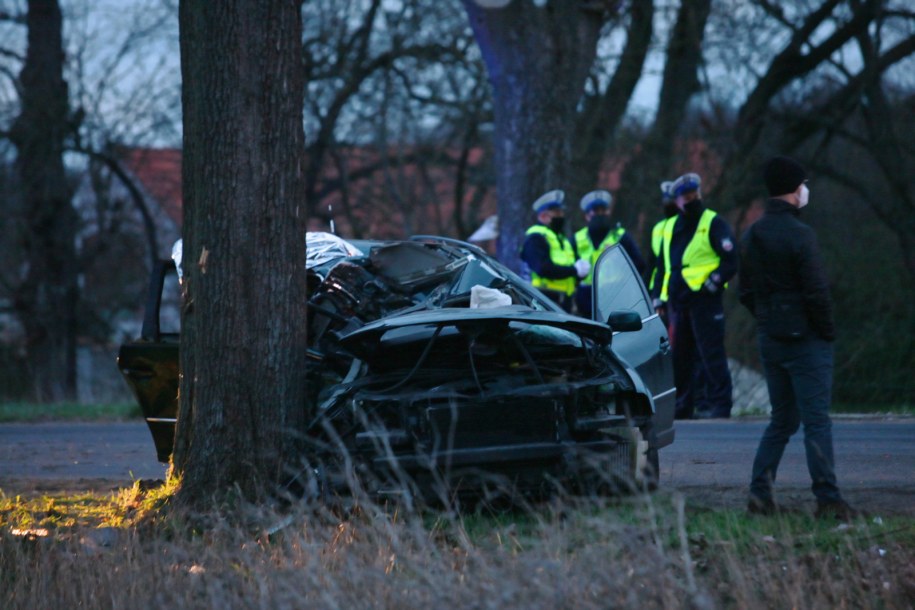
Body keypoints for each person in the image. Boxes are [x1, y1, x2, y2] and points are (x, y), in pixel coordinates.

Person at [739, 155, 859, 520]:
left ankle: (760, 496)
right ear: (794, 190)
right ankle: (828, 500)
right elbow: (817, 293)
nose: (806, 190)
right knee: (816, 422)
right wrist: (826, 332)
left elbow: (745, 292)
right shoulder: (801, 235)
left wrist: (768, 319)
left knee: (782, 421)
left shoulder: (753, 234)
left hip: (771, 338)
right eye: (803, 184)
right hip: (806, 340)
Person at [651, 172, 736, 419]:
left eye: (694, 195)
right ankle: (682, 405)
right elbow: (663, 266)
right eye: (686, 197)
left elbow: (730, 260)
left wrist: (711, 285)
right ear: (677, 201)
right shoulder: (672, 228)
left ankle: (721, 404)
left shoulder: (713, 222)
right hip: (679, 302)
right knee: (681, 357)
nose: (691, 200)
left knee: (711, 353)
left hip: (705, 301)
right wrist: (659, 298)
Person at [573, 190, 646, 318]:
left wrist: (619, 261)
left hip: (616, 298)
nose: (600, 214)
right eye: (596, 211)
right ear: (587, 215)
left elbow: (640, 265)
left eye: (604, 210)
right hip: (585, 302)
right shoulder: (577, 239)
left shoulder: (621, 236)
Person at [520, 189, 590, 312]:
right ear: (542, 216)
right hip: (543, 300)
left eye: (561, 213)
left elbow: (568, 269)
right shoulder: (536, 237)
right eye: (557, 213)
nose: (561, 216)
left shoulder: (561, 239)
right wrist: (574, 270)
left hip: (563, 301)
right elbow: (543, 268)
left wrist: (580, 273)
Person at [645, 181, 678, 320]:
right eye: (666, 203)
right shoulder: (658, 228)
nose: (668, 206)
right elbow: (653, 264)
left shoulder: (685, 225)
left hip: (678, 290)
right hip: (659, 293)